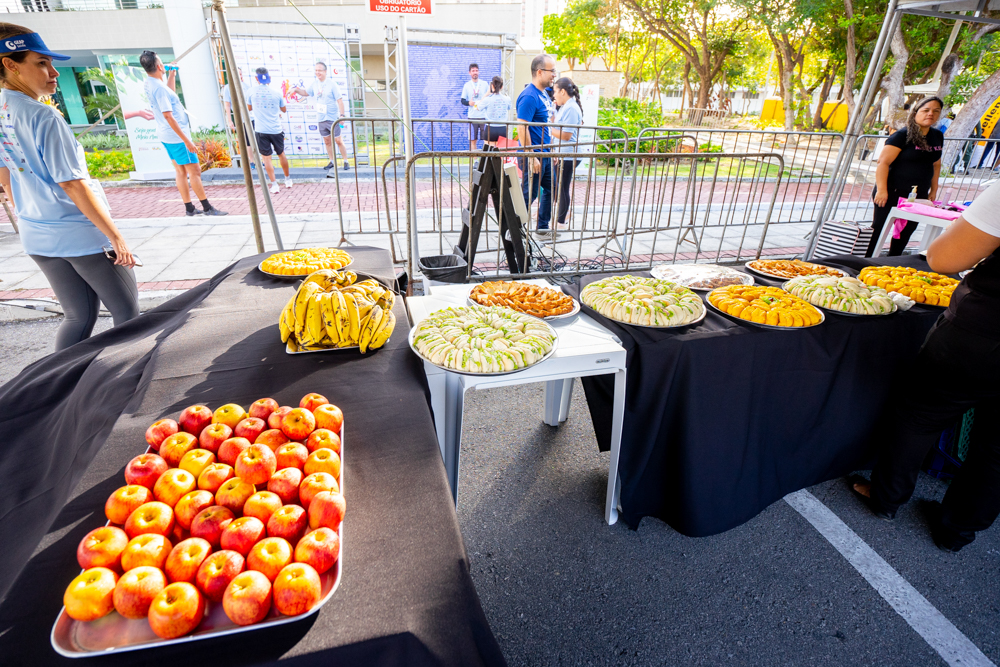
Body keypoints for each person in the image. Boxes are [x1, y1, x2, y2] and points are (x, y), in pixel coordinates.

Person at [851, 181, 1000, 553]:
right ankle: (958, 531)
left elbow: (944, 259)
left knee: (920, 415)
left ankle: (886, 499)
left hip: (984, 332)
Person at [0, 24, 139, 351]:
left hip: (35, 232)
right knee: (128, 315)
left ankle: (56, 389)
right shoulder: (43, 117)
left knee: (78, 318)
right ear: (10, 64)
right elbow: (73, 184)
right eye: (41, 63)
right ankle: (122, 388)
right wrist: (117, 238)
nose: (54, 73)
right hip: (79, 235)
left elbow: (5, 175)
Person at [140, 50, 227, 217]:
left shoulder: (150, 83)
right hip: (177, 137)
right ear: (159, 66)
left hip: (166, 135)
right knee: (194, 172)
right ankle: (207, 208)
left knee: (180, 171)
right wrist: (187, 141)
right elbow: (168, 115)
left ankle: (189, 208)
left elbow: (169, 95)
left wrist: (171, 75)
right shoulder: (159, 89)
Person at [869, 96, 942, 257]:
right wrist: (881, 190)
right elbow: (883, 163)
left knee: (906, 230)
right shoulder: (902, 135)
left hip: (918, 195)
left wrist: (934, 190)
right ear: (916, 112)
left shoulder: (937, 135)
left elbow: (936, 165)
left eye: (936, 111)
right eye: (926, 110)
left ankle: (893, 262)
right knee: (879, 228)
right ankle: (867, 262)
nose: (931, 114)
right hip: (891, 191)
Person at [517, 54, 557, 239]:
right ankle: (515, 229)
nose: (554, 75)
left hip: (546, 153)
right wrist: (531, 155)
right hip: (534, 155)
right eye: (552, 71)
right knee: (530, 193)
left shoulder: (544, 95)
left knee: (551, 188)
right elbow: (521, 126)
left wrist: (552, 149)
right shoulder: (529, 96)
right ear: (539, 72)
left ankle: (542, 226)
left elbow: (546, 126)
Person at [291, 62, 349, 172]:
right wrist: (295, 89)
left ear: (325, 71)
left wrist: (342, 115)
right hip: (321, 118)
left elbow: (340, 101)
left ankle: (346, 161)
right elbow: (305, 93)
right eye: (316, 70)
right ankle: (332, 161)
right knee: (327, 141)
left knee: (338, 140)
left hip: (333, 118)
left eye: (320, 70)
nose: (317, 72)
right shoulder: (314, 84)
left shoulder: (332, 84)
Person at [247, 67, 291, 195]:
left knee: (267, 158)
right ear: (269, 78)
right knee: (281, 153)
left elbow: (249, 108)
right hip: (276, 129)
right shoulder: (276, 93)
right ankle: (287, 180)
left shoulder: (251, 92)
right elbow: (284, 109)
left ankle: (275, 185)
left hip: (261, 130)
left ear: (257, 78)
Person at [550, 77, 582, 232]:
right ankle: (563, 216)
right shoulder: (565, 107)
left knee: (562, 187)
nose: (554, 95)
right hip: (563, 154)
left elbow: (567, 135)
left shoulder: (571, 108)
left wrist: (548, 129)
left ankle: (561, 221)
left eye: (555, 91)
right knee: (559, 186)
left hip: (569, 155)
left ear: (563, 91)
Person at [473, 76, 511, 146]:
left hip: (490, 128)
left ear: (492, 86)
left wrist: (486, 95)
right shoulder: (507, 99)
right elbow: (509, 107)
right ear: (502, 87)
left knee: (489, 153)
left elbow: (476, 107)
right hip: (502, 128)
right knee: (501, 154)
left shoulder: (487, 99)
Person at [461, 63, 488, 151]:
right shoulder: (467, 85)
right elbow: (463, 100)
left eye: (476, 70)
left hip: (484, 116)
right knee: (473, 140)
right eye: (473, 71)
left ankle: (486, 161)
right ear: (470, 73)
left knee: (486, 140)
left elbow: (489, 97)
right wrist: (469, 103)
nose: (475, 72)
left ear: (478, 72)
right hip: (472, 117)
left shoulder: (484, 84)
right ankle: (475, 161)